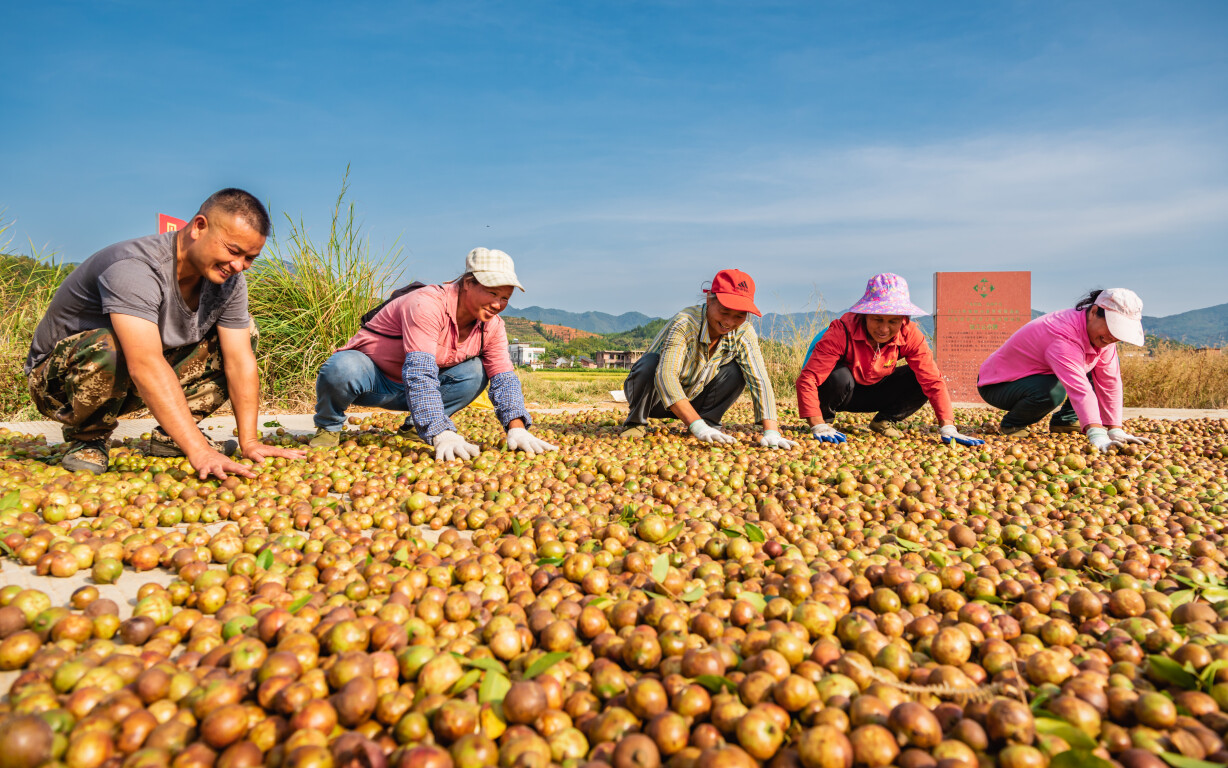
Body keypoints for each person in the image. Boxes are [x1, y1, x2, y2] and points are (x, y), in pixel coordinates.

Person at [26, 189, 305, 478]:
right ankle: (88, 438)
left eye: (250, 258)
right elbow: (144, 362)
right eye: (233, 251)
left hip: (131, 377)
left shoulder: (230, 283)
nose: (238, 266)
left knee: (245, 332)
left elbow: (239, 360)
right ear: (199, 227)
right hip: (61, 384)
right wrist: (200, 451)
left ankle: (174, 436)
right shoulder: (135, 268)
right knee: (109, 344)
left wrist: (250, 442)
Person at [311, 247, 557, 461]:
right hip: (373, 382)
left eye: (505, 297)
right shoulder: (426, 304)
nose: (498, 304)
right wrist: (440, 431)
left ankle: (414, 427)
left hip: (416, 395)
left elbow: (504, 378)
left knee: (476, 371)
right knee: (343, 366)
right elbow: (419, 372)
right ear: (468, 283)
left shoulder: (492, 326)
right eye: (492, 293)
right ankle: (329, 426)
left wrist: (517, 428)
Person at [795, 273, 983, 446]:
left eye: (893, 321)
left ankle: (885, 419)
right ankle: (826, 424)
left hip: (876, 391)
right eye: (877, 319)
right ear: (865, 315)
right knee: (838, 376)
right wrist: (816, 422)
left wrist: (948, 426)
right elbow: (808, 379)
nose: (884, 329)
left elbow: (932, 381)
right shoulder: (841, 331)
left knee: (919, 378)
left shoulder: (910, 334)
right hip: (841, 392)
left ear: (903, 319)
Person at [621, 269, 796, 449]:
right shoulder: (686, 322)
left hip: (694, 398)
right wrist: (697, 427)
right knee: (651, 363)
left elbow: (759, 380)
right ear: (709, 300)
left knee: (736, 371)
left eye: (739, 315)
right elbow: (666, 376)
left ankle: (708, 422)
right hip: (653, 399)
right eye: (724, 311)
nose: (729, 322)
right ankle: (636, 422)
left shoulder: (744, 332)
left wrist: (772, 432)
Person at [978, 288, 1151, 452]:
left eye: (1119, 333)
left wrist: (1115, 429)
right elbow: (1079, 388)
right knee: (1054, 389)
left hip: (1039, 376)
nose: (1114, 337)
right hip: (999, 385)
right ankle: (1013, 423)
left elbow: (1109, 382)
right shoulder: (1062, 333)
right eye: (1112, 328)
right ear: (1093, 312)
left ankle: (1066, 420)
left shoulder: (1104, 339)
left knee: (1092, 369)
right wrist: (1096, 433)